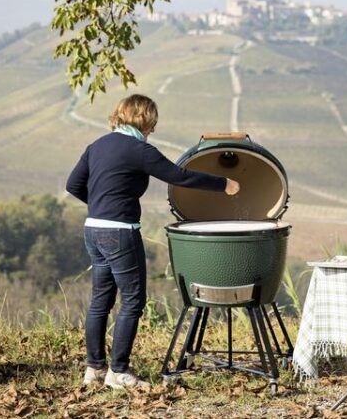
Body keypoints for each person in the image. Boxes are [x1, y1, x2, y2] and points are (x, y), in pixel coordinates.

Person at [66, 94, 240, 389]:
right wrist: (224, 184)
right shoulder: (138, 150)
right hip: (120, 232)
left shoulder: (96, 146)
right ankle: (118, 371)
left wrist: (100, 206)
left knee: (100, 301)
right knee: (133, 300)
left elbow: (73, 185)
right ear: (145, 120)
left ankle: (94, 368)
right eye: (152, 124)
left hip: (93, 230)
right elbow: (179, 176)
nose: (153, 130)